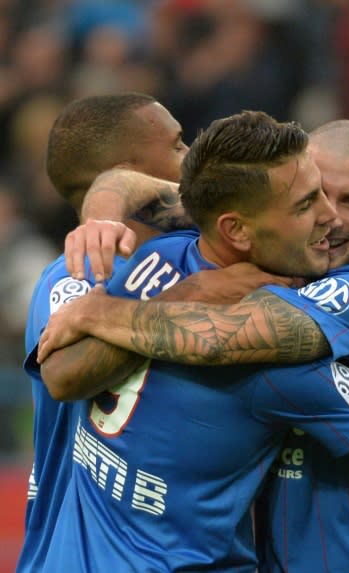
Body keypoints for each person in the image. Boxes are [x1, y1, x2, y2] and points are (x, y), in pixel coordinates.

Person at [35, 110, 349, 571]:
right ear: (235, 228)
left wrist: (104, 293)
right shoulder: (274, 366)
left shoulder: (152, 260)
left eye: (345, 199)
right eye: (307, 202)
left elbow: (63, 371)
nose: (329, 216)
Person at [16, 92, 190, 573]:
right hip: (78, 557)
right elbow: (65, 375)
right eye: (177, 145)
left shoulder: (189, 256)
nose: (190, 154)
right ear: (132, 172)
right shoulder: (75, 277)